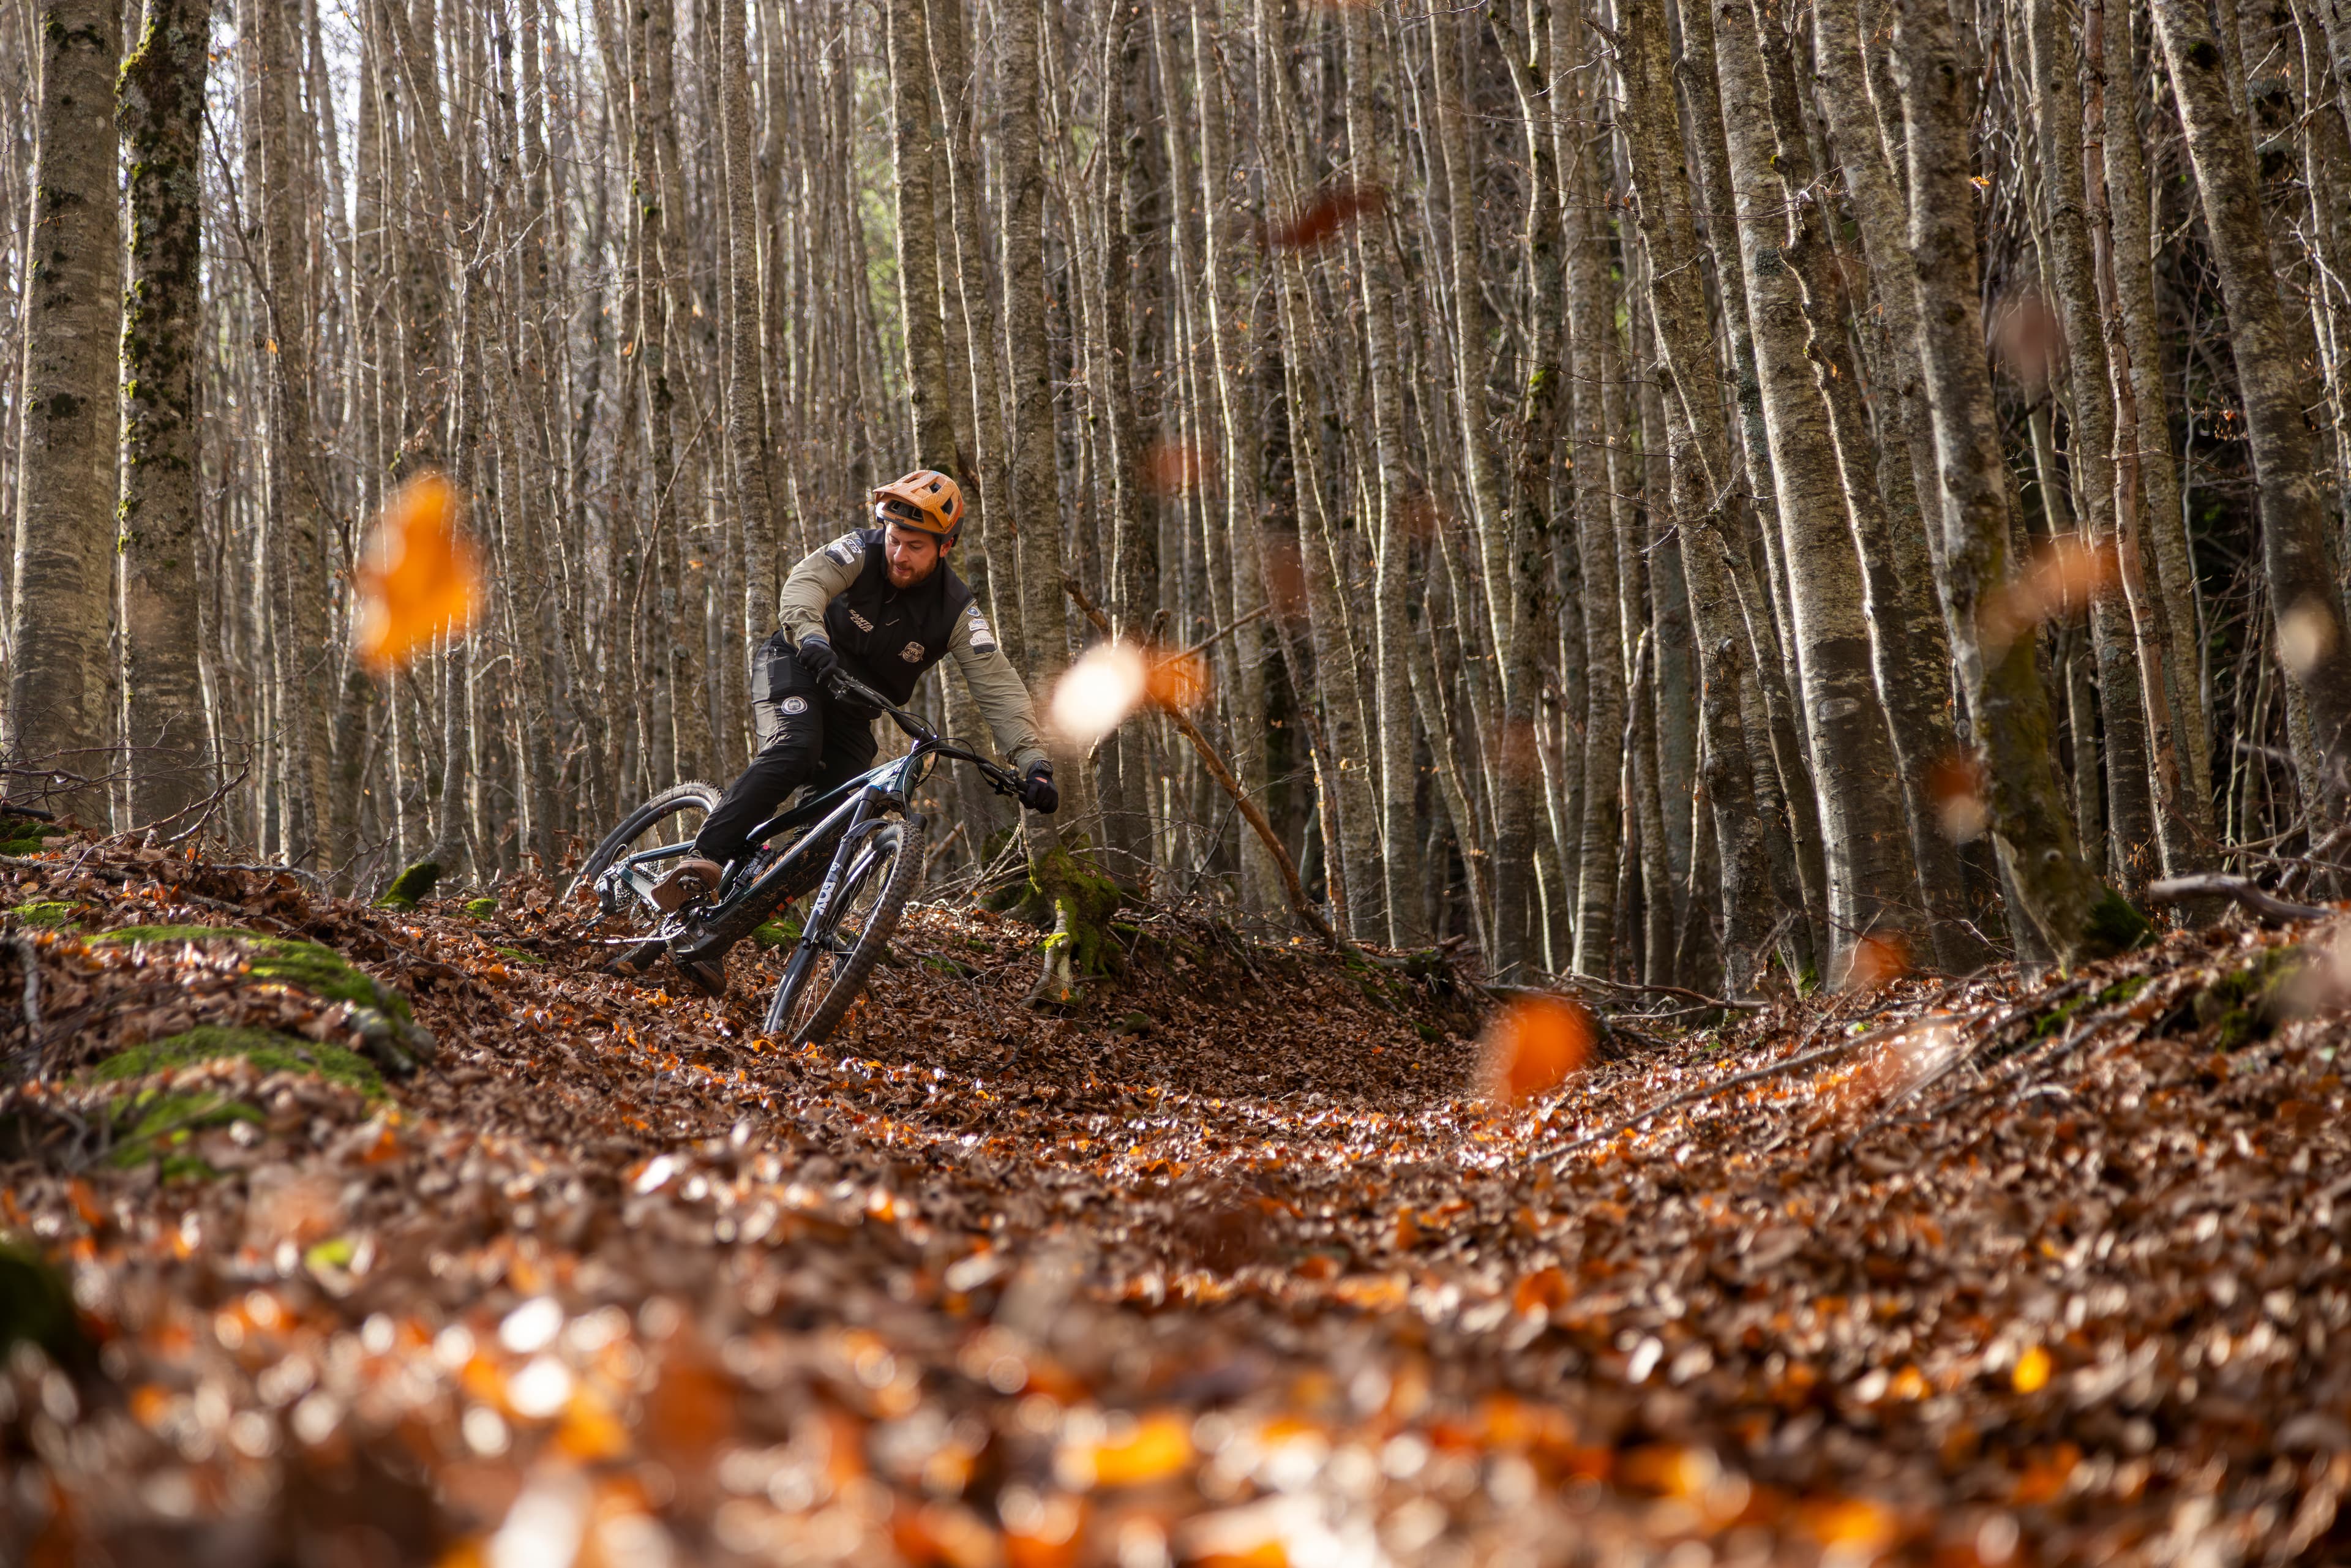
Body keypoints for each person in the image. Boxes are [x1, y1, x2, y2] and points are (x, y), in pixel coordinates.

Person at [648, 467, 1059, 928]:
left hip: (855, 711)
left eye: (915, 546)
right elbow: (807, 582)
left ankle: (720, 929)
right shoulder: (860, 550)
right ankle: (702, 859)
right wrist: (811, 636)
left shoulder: (957, 611)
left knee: (829, 831)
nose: (899, 555)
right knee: (795, 746)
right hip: (797, 665)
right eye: (895, 538)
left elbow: (997, 685)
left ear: (946, 546)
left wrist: (1033, 763)